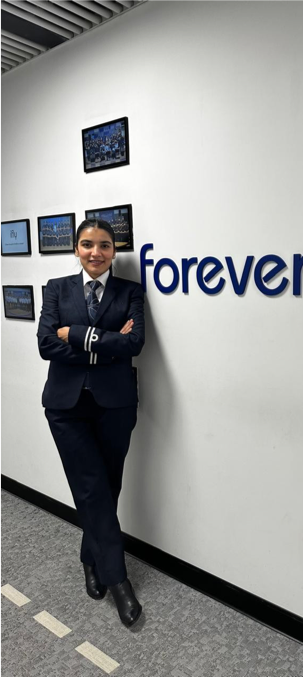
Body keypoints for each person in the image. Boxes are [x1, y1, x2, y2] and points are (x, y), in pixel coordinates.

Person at [37, 219, 145, 628]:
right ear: (76, 249)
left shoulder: (130, 291)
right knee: (90, 486)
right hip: (66, 407)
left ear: (114, 251)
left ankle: (89, 558)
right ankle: (118, 580)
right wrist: (107, 345)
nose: (95, 252)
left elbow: (135, 343)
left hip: (116, 404)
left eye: (103, 245)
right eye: (87, 244)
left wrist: (77, 334)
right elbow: (46, 344)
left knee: (107, 485)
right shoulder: (57, 289)